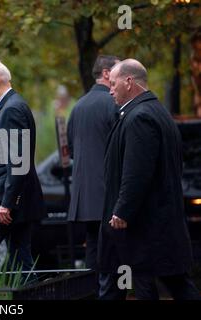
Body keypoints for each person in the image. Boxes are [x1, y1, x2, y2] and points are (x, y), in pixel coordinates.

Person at [98, 58, 200, 300]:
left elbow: (137, 171)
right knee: (170, 282)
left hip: (144, 223)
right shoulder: (155, 111)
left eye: (113, 84)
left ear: (129, 82)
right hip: (154, 221)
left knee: (165, 282)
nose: (110, 90)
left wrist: (122, 210)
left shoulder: (139, 117)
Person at [0, 58, 46, 279]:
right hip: (8, 200)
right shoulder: (9, 106)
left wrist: (7, 203)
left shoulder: (12, 108)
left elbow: (18, 161)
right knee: (19, 259)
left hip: (2, 202)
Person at [67, 55, 119, 270]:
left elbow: (70, 150)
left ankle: (93, 291)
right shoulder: (114, 103)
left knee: (93, 249)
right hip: (110, 194)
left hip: (84, 196)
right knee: (115, 251)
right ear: (107, 73)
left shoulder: (78, 106)